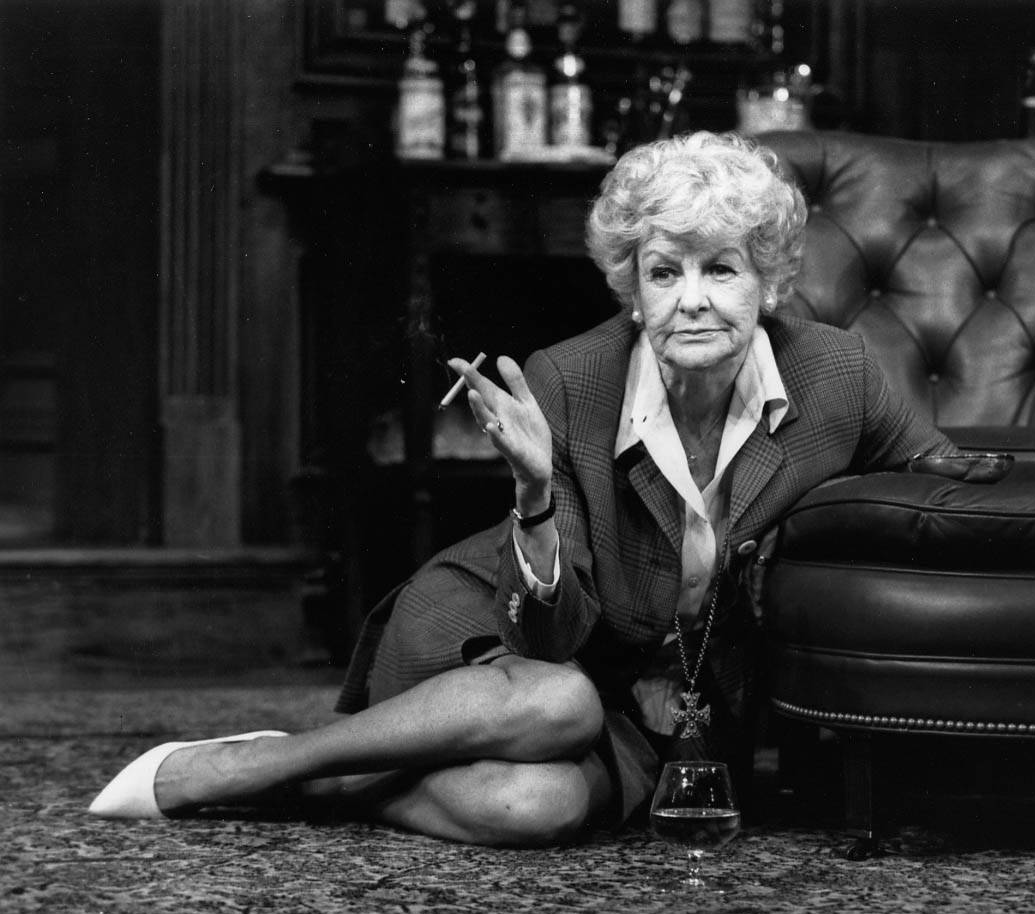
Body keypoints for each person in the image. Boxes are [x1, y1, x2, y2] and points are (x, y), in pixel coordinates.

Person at [89, 131, 957, 845]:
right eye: (664, 271)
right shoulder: (570, 380)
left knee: (532, 808)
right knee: (560, 699)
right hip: (499, 634)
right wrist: (537, 492)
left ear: (767, 281)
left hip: (652, 704)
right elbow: (549, 638)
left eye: (720, 269)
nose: (692, 300)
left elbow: (938, 480)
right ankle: (243, 768)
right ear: (631, 287)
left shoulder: (837, 375)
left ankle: (330, 783)